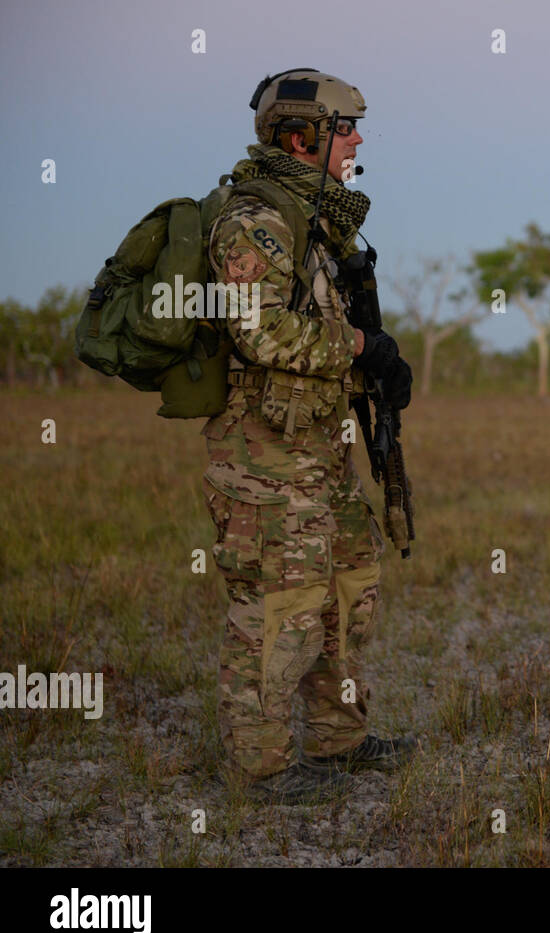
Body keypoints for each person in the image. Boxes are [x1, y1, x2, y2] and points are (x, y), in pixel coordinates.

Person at [201, 69, 415, 803]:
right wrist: (358, 348)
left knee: (349, 589)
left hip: (321, 453)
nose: (357, 140)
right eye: (345, 128)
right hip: (266, 458)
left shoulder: (322, 222)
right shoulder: (257, 219)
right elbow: (259, 332)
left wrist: (378, 371)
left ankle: (338, 739)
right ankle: (258, 771)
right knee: (278, 609)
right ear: (301, 137)